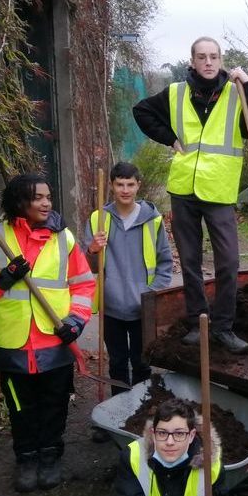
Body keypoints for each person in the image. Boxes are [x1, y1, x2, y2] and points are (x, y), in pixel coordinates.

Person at [133, 36, 248, 354]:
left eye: (214, 56)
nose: (208, 62)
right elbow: (142, 111)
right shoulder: (176, 93)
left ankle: (223, 327)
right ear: (192, 61)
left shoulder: (236, 95)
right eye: (202, 57)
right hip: (183, 189)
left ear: (221, 60)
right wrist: (169, 138)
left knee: (228, 262)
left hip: (219, 191)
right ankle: (198, 322)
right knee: (191, 262)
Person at [0, 174, 95, 492]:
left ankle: (50, 456)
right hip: (14, 342)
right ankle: (26, 459)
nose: (45, 203)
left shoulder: (63, 239)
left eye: (48, 197)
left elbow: (83, 283)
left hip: (54, 340)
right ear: (19, 201)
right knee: (20, 407)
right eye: (38, 197)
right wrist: (4, 278)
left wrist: (76, 321)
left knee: (54, 404)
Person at [83, 162, 173, 392]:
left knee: (142, 363)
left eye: (130, 184)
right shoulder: (98, 219)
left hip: (143, 306)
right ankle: (118, 411)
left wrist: (153, 293)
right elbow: (86, 267)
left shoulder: (153, 220)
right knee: (118, 364)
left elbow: (165, 262)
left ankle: (141, 410)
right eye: (120, 184)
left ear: (138, 185)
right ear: (112, 186)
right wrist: (93, 249)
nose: (125, 190)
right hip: (111, 306)